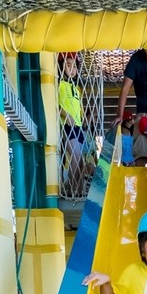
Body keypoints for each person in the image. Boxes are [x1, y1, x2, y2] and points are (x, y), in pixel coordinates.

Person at [58, 51, 86, 197]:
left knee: (80, 160)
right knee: (75, 157)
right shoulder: (59, 84)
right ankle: (71, 188)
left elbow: (79, 109)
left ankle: (79, 191)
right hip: (67, 125)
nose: (72, 69)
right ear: (61, 66)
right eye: (68, 65)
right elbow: (54, 104)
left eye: (74, 66)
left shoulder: (77, 89)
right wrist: (65, 114)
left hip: (79, 127)